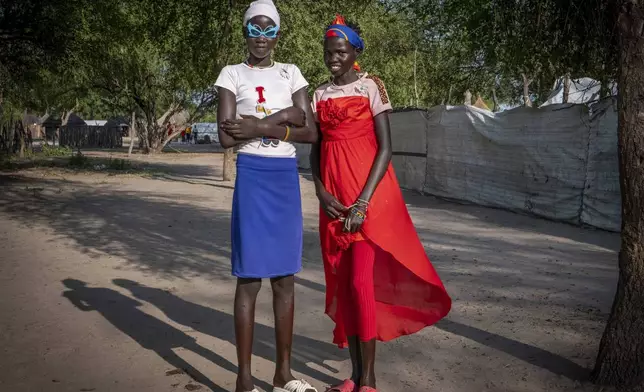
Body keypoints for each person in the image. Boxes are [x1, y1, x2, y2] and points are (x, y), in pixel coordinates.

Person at [309, 15, 452, 392]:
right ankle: (354, 377)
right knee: (345, 288)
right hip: (333, 203)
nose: (333, 58)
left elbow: (386, 148)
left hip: (367, 200)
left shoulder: (372, 85)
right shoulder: (318, 94)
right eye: (328, 52)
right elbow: (317, 148)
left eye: (340, 51)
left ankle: (368, 382)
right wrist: (320, 191)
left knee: (359, 284)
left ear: (355, 52)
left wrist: (361, 204)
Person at [214, 1, 318, 392]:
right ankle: (243, 380)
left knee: (284, 279)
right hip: (254, 176)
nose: (261, 38)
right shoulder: (231, 73)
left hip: (284, 178)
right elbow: (227, 137)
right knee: (249, 279)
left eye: (268, 30)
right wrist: (279, 118)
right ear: (246, 31)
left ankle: (282, 375)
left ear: (277, 34)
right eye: (254, 30)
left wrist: (256, 125)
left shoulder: (291, 72)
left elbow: (309, 132)